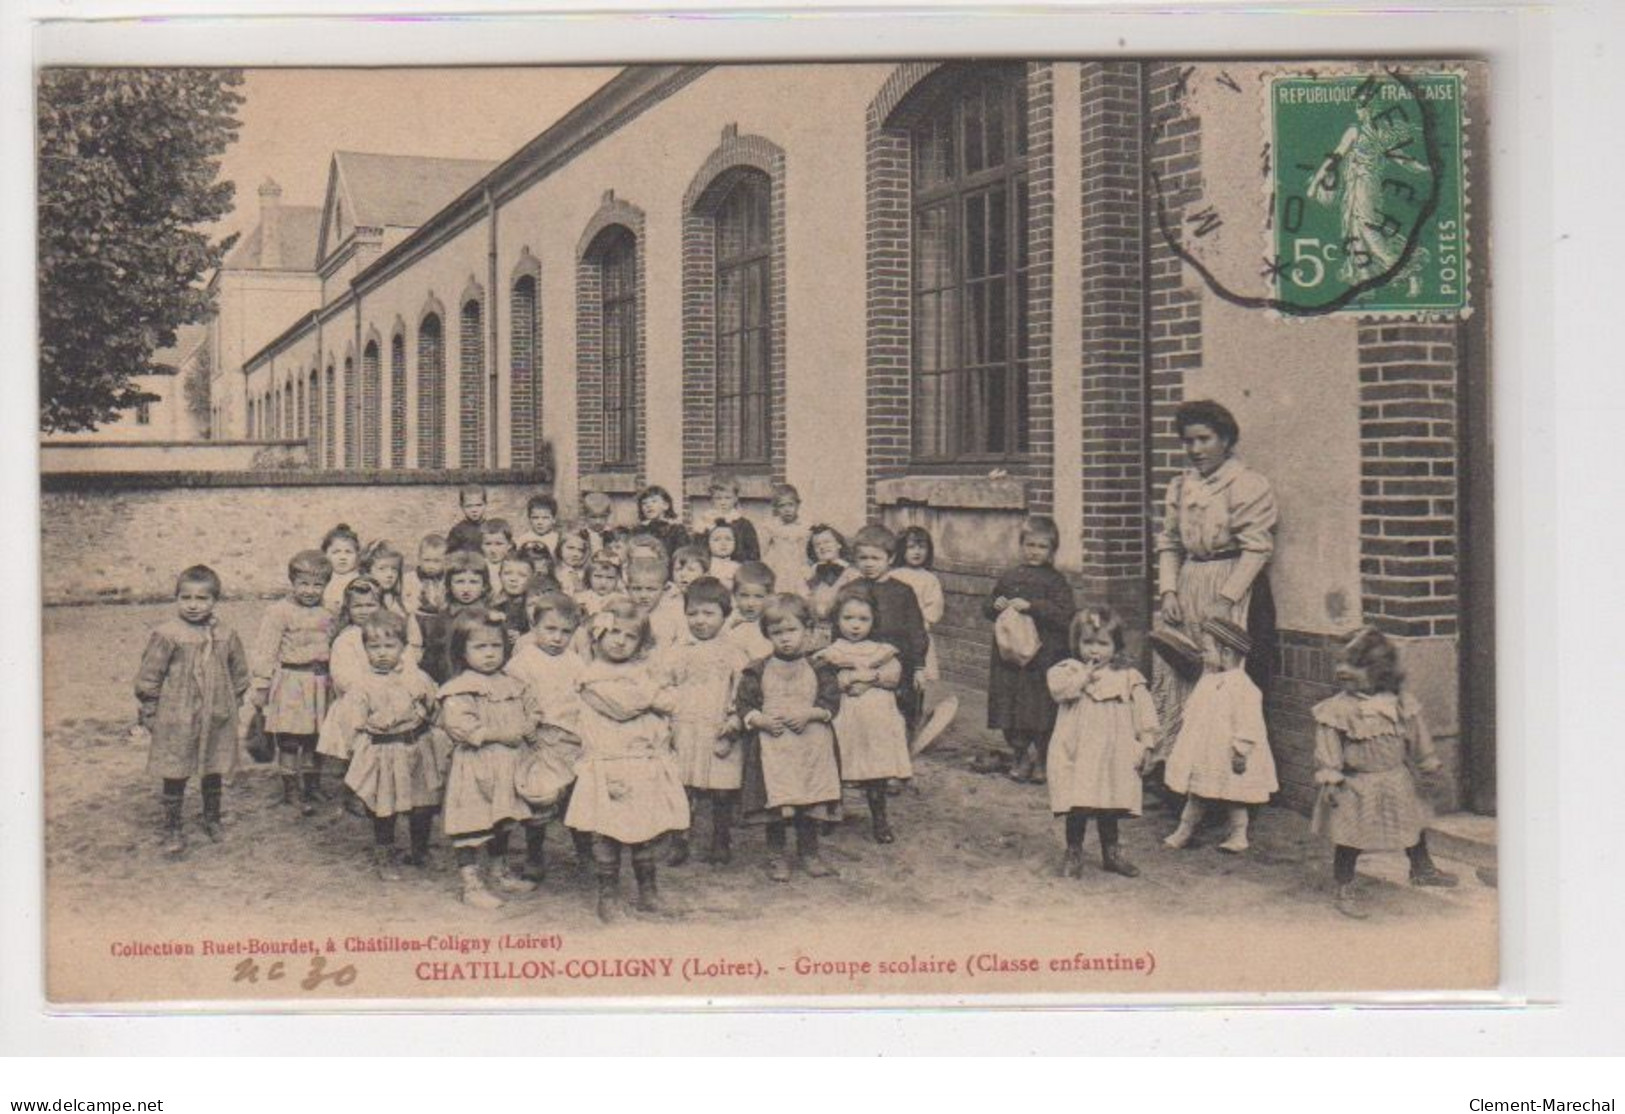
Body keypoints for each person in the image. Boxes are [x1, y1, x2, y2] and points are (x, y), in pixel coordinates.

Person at [1149, 399, 1278, 771]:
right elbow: (1170, 543)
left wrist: (1225, 601)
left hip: (1231, 585)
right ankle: (1179, 775)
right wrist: (1169, 591)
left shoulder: (1246, 485)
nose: (1195, 450)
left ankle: (1225, 781)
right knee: (1178, 673)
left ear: (1225, 439)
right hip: (1189, 583)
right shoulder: (1181, 486)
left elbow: (1257, 549)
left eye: (1204, 439)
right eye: (1188, 442)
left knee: (1220, 681)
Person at [1311, 627, 1457, 919]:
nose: (1343, 670)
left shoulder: (1401, 703)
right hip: (1356, 784)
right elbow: (1329, 748)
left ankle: (1422, 869)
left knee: (1412, 825)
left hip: (1396, 778)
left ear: (1379, 669)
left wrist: (1429, 766)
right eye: (1339, 663)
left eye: (1353, 665)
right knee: (1350, 836)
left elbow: (1419, 738)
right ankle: (1345, 885)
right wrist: (1330, 779)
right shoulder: (1338, 710)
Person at [565, 597, 690, 921]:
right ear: (598, 635)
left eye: (630, 636)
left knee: (646, 829)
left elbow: (674, 701)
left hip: (645, 762)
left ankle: (648, 891)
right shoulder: (591, 676)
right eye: (614, 632)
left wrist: (657, 697)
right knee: (607, 830)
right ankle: (608, 895)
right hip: (610, 762)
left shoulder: (642, 671)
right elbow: (622, 706)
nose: (620, 641)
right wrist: (654, 697)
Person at [134, 565, 250, 856]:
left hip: (216, 713)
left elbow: (239, 671)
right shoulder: (167, 634)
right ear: (176, 598)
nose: (194, 605)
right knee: (175, 769)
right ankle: (172, 827)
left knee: (213, 767)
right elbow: (150, 676)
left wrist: (232, 702)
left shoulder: (226, 633)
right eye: (186, 598)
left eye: (202, 599)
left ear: (215, 600)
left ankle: (212, 818)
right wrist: (150, 709)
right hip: (177, 715)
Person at [318, 611, 443, 880]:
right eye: (374, 647)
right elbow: (353, 722)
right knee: (383, 806)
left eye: (390, 646)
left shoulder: (416, 677)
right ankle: (385, 854)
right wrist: (361, 746)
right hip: (383, 751)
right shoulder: (362, 685)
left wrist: (424, 718)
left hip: (417, 749)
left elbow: (433, 705)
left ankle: (419, 850)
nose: (382, 653)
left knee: (422, 804)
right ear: (365, 650)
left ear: (403, 647)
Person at [437, 609, 543, 909]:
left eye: (495, 646)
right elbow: (461, 726)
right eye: (479, 647)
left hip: (509, 764)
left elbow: (532, 708)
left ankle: (499, 870)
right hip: (476, 766)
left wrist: (529, 725)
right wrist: (500, 734)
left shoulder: (513, 682)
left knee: (502, 819)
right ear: (462, 650)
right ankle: (471, 883)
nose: (489, 654)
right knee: (471, 824)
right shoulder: (460, 688)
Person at [1045, 607, 1159, 879]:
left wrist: (1147, 742)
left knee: (1110, 799)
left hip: (1113, 751)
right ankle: (1074, 851)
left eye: (1102, 643)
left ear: (1116, 645)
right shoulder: (1069, 670)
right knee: (1079, 800)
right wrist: (1084, 676)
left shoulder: (1128, 676)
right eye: (1087, 643)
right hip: (1080, 749)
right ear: (1077, 643)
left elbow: (1144, 710)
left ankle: (1112, 853)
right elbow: (1059, 691)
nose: (1094, 651)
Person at [736, 594, 842, 882]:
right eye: (777, 633)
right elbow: (744, 704)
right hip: (775, 747)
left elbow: (832, 703)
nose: (785, 639)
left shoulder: (820, 668)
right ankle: (776, 856)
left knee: (809, 800)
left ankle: (809, 853)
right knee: (777, 804)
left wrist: (810, 713)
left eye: (792, 631)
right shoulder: (757, 670)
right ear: (767, 635)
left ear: (807, 630)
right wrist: (759, 720)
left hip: (810, 746)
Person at [1162, 618, 1279, 854]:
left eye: (1207, 650)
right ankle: (1184, 830)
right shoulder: (1208, 681)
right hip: (1206, 752)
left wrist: (1241, 751)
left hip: (1229, 753)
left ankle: (1238, 834)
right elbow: (1193, 709)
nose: (1204, 655)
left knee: (1235, 796)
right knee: (1197, 793)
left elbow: (1250, 724)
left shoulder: (1244, 688)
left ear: (1225, 653)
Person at [504, 592, 597, 878]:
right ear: (534, 626)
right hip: (539, 740)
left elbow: (585, 697)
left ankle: (585, 853)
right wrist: (527, 731)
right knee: (539, 800)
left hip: (572, 740)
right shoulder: (522, 663)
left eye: (565, 632)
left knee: (577, 797)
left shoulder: (576, 662)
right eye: (550, 629)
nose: (557, 638)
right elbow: (514, 701)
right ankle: (534, 856)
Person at [661, 576, 750, 867]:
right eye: (693, 613)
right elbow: (665, 686)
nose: (700, 621)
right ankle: (679, 839)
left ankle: (721, 838)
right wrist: (666, 722)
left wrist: (735, 719)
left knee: (721, 789)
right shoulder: (676, 652)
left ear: (725, 614)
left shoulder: (734, 653)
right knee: (682, 785)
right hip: (685, 727)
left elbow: (742, 689)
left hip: (718, 728)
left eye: (708, 613)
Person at [982, 515, 1075, 782]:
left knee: (1041, 711)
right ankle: (1020, 756)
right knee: (1011, 709)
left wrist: (1033, 606)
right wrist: (995, 604)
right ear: (1021, 546)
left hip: (1043, 657)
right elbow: (989, 606)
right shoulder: (1010, 576)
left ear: (1052, 550)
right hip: (1010, 656)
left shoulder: (1056, 581)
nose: (1034, 551)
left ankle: (1043, 760)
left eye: (1041, 546)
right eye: (1030, 545)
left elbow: (1065, 614)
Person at [818, 584, 911, 844]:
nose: (855, 626)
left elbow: (893, 677)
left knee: (876, 767)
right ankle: (831, 812)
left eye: (863, 619)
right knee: (839, 761)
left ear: (874, 621)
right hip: (844, 717)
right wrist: (846, 680)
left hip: (875, 718)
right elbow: (824, 681)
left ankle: (879, 818)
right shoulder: (831, 652)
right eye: (848, 618)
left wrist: (870, 679)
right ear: (837, 619)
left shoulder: (881, 650)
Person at [251, 550, 337, 816]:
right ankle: (291, 791)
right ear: (292, 582)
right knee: (290, 740)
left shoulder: (330, 611)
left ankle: (312, 786)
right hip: (291, 682)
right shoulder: (279, 612)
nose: (310, 590)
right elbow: (266, 650)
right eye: (304, 583)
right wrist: (262, 685)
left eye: (317, 584)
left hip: (321, 683)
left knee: (315, 738)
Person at [848, 523, 928, 736]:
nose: (868, 564)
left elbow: (916, 630)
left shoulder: (903, 592)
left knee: (902, 710)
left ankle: (903, 749)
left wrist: (919, 666)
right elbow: (839, 626)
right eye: (863, 558)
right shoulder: (851, 589)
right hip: (861, 658)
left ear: (890, 559)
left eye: (875, 558)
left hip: (900, 661)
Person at [418, 550, 490, 685]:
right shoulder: (444, 618)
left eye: (473, 582)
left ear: (484, 586)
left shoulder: (488, 617)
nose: (466, 589)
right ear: (449, 585)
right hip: (449, 678)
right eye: (460, 582)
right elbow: (431, 656)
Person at [805, 524, 856, 650]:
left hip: (843, 636)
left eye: (827, 542)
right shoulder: (810, 575)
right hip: (815, 637)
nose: (822, 547)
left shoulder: (852, 574)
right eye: (817, 545)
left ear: (839, 544)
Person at [761, 483, 812, 598]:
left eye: (790, 505)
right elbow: (763, 549)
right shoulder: (771, 526)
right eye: (782, 506)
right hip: (779, 568)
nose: (787, 509)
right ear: (776, 508)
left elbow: (808, 549)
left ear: (798, 505)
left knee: (801, 596)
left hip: (799, 567)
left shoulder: (805, 526)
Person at [693, 475, 760, 563]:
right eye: (718, 498)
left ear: (736, 499)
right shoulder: (705, 522)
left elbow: (753, 553)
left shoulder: (744, 524)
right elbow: (697, 551)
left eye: (728, 498)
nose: (723, 502)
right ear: (711, 500)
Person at [723, 561, 775, 664]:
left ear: (770, 596)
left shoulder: (771, 622)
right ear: (734, 595)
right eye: (744, 596)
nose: (751, 603)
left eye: (758, 597)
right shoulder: (730, 623)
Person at [634, 484, 688, 561]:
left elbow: (681, 556)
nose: (648, 505)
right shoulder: (638, 531)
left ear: (665, 505)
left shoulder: (676, 531)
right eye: (644, 503)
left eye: (654, 501)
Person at [319, 523, 362, 615]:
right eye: (336, 552)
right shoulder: (322, 578)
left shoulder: (360, 580)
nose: (342, 557)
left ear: (357, 555)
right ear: (325, 554)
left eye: (348, 552)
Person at [402, 533, 448, 617]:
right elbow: (403, 600)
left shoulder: (447, 581)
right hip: (414, 618)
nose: (431, 566)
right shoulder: (409, 579)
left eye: (436, 561)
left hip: (438, 619)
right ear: (419, 559)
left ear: (445, 561)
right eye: (427, 560)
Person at [514, 492, 562, 557]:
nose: (540, 522)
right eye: (535, 517)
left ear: (554, 519)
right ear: (529, 519)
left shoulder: (557, 540)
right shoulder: (523, 539)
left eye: (545, 518)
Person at [446, 483, 490, 554]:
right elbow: (448, 554)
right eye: (469, 506)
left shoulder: (491, 528)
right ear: (462, 506)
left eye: (478, 505)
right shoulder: (458, 531)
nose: (474, 510)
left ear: (485, 504)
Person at [704, 520, 741, 590]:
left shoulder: (738, 568)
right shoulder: (705, 567)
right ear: (707, 543)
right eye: (717, 539)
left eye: (728, 539)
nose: (723, 543)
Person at [479, 518, 515, 588]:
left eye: (499, 544)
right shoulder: (480, 567)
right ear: (481, 545)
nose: (493, 550)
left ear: (509, 545)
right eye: (488, 544)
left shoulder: (513, 566)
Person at [554, 529, 591, 596]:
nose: (575, 554)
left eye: (580, 550)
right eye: (570, 548)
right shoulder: (553, 571)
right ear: (559, 548)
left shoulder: (585, 574)